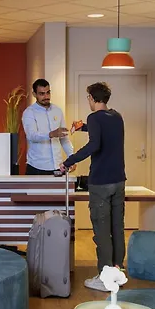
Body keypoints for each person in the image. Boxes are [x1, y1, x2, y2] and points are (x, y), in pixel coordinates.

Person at [60, 82, 126, 292]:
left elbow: (94, 144)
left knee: (102, 231)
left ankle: (105, 278)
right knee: (117, 228)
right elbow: (105, 132)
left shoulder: (94, 117)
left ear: (91, 97)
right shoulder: (116, 116)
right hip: (119, 181)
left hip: (101, 183)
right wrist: (83, 127)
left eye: (88, 97)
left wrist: (68, 161)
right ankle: (117, 271)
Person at [22, 79, 75, 175]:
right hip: (37, 167)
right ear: (34, 94)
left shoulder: (57, 110)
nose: (46, 97)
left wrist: (72, 158)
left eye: (48, 93)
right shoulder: (29, 112)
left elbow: (64, 138)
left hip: (58, 167)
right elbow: (31, 136)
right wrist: (51, 134)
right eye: (42, 94)